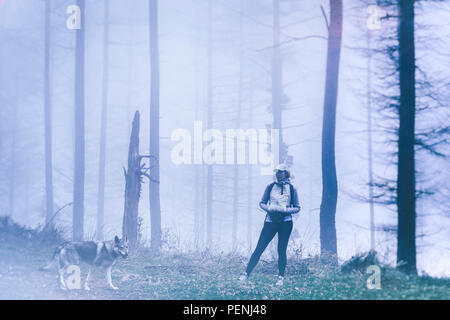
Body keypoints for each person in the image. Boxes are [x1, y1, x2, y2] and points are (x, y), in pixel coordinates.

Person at [239, 164, 301, 286]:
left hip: (286, 222)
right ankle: (246, 274)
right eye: (277, 172)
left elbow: (298, 207)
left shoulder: (292, 188)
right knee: (259, 248)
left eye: (281, 172)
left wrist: (285, 210)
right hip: (270, 221)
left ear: (286, 173)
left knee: (281, 250)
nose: (278, 174)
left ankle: (280, 278)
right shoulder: (270, 186)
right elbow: (261, 203)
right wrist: (270, 209)